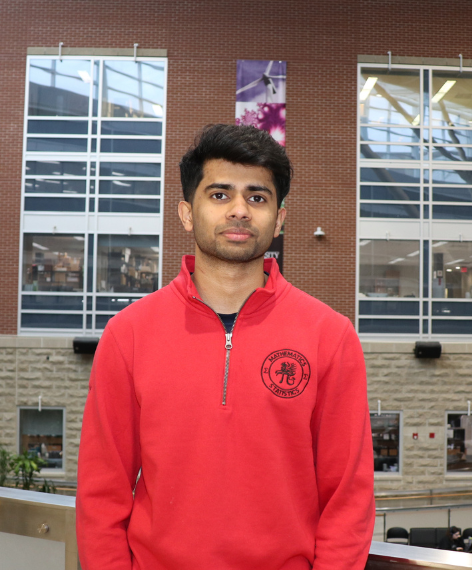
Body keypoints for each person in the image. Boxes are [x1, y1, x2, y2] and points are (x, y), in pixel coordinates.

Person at [76, 124, 376, 570]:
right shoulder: (129, 334)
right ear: (186, 212)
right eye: (219, 195)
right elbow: (103, 491)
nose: (240, 210)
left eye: (257, 197)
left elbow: (347, 495)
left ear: (279, 218)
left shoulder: (329, 335)